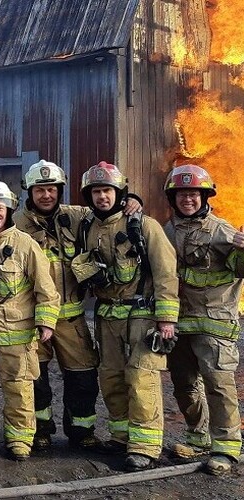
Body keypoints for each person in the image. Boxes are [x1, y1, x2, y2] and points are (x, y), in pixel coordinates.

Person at [13, 160, 142, 450]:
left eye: (51, 189)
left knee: (83, 379)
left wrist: (131, 200)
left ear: (60, 191)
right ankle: (39, 431)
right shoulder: (15, 223)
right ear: (29, 193)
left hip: (72, 319)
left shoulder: (78, 217)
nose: (46, 195)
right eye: (39, 190)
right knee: (36, 380)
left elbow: (108, 210)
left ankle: (81, 432)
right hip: (31, 320)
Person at [71, 161, 179, 471]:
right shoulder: (88, 227)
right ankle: (121, 437)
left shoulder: (144, 226)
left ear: (120, 192)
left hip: (141, 315)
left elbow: (165, 273)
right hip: (107, 317)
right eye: (96, 192)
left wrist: (167, 319)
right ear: (88, 196)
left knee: (141, 377)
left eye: (108, 191)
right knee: (112, 377)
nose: (102, 197)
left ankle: (144, 446)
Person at [0, 179, 60, 461]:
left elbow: (47, 289)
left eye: (0, 208)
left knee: (18, 387)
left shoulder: (26, 245)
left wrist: (46, 322)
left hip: (17, 333)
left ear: (9, 211)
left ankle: (19, 439)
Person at [163, 165, 243, 475]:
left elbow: (241, 269)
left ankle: (226, 447)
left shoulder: (221, 230)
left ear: (205, 196)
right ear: (174, 198)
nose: (188, 199)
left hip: (214, 324)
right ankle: (198, 435)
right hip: (178, 323)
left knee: (219, 385)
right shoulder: (167, 231)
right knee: (184, 385)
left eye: (194, 194)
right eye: (182, 194)